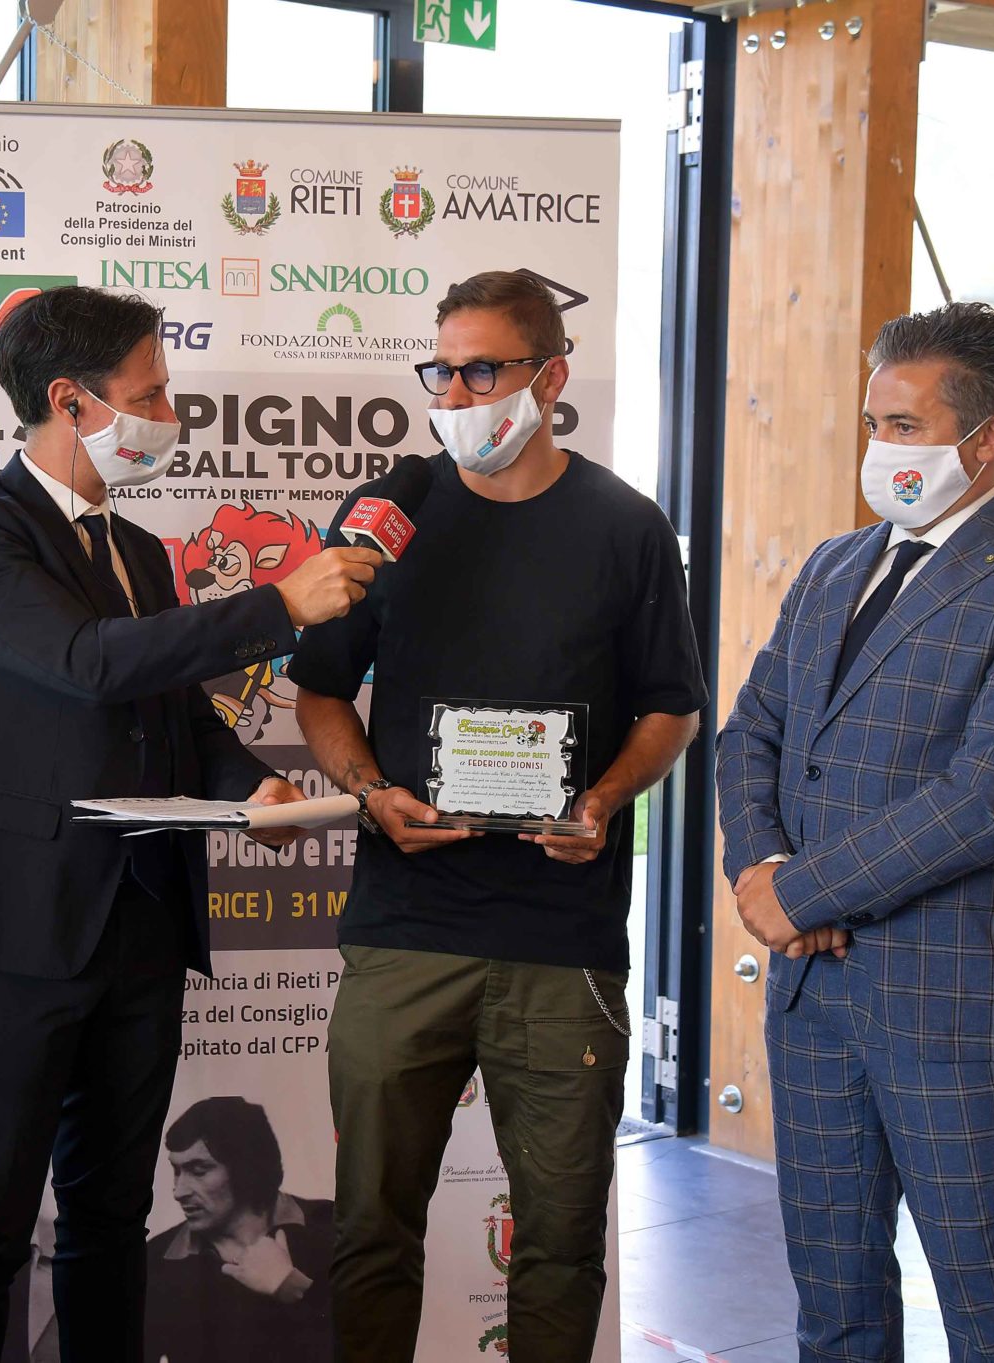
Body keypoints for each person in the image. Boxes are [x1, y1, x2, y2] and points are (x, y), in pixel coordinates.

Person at [0, 284, 383, 1361]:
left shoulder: (141, 549)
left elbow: (175, 713)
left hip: (141, 921)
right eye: (151, 393)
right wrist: (279, 604)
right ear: (69, 401)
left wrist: (253, 788)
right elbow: (86, 664)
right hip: (15, 924)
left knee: (112, 1212)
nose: (170, 413)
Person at [291, 270, 708, 1362]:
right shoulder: (386, 518)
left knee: (561, 1244)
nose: (455, 393)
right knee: (370, 1232)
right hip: (404, 928)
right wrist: (372, 794)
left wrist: (603, 799)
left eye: (482, 371)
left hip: (561, 941)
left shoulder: (625, 525)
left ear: (550, 378)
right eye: (441, 370)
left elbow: (672, 706)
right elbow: (319, 690)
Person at [715, 301, 994, 1362]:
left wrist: (799, 894)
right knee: (833, 1292)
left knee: (988, 1291)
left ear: (989, 437)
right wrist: (763, 865)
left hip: (954, 990)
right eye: (874, 422)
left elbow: (986, 798)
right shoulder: (833, 564)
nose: (879, 447)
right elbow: (752, 732)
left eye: (904, 426)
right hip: (815, 994)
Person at [143, 1097, 334, 1363]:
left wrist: (292, 1289)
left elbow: (371, 1344)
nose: (179, 1191)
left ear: (247, 1166)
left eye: (198, 1170)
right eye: (177, 1171)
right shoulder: (155, 1259)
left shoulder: (332, 1226)